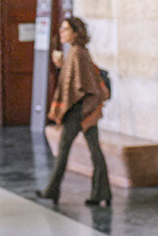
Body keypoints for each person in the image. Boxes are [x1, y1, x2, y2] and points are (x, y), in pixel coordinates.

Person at [35, 16, 112, 207]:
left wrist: (66, 109)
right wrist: (61, 65)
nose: (61, 33)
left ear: (76, 33)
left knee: (65, 150)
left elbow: (78, 86)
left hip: (78, 110)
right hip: (84, 109)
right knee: (93, 150)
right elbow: (74, 81)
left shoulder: (77, 53)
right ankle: (102, 192)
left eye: (65, 29)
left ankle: (53, 190)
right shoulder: (76, 53)